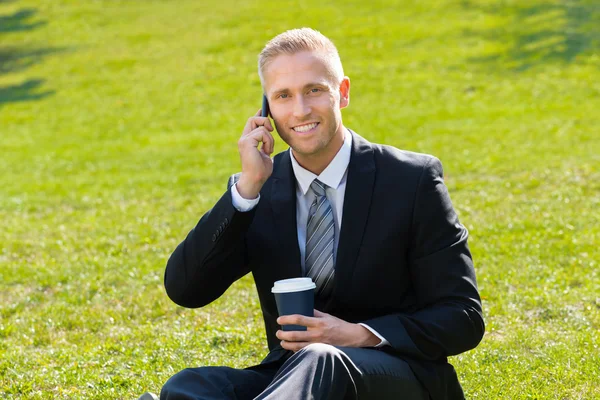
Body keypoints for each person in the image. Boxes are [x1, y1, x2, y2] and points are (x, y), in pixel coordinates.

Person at [144, 27, 484, 400]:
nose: (300, 110)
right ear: (266, 110)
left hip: (401, 376)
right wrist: (245, 191)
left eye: (314, 90)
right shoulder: (261, 191)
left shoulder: (411, 179)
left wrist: (357, 334)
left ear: (343, 92)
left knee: (323, 359)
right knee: (189, 386)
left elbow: (463, 317)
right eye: (283, 96)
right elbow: (185, 289)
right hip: (295, 377)